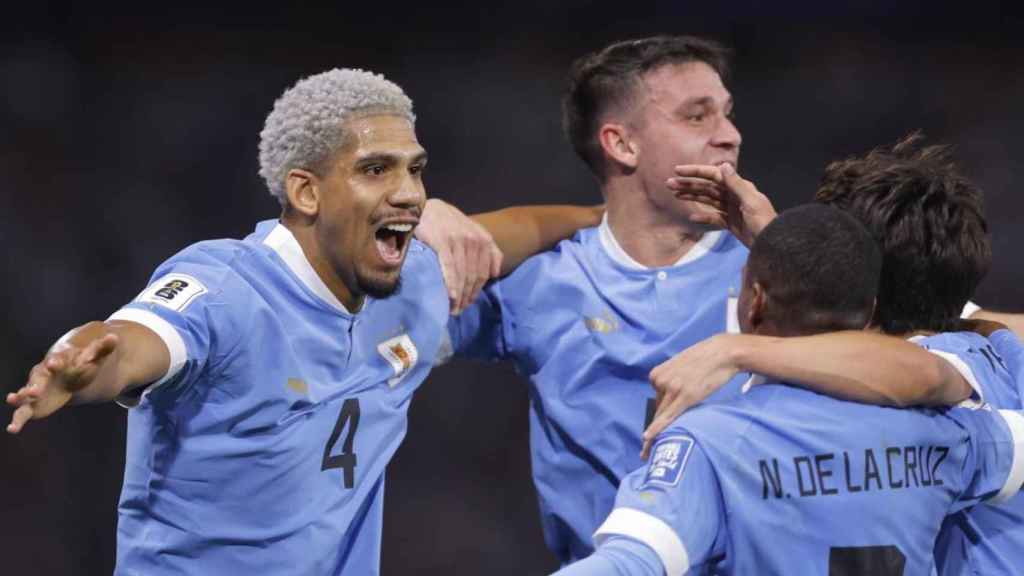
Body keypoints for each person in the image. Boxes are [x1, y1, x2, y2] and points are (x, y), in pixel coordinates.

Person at [5, 68, 599, 574]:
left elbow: (514, 230)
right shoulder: (226, 288)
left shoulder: (408, 281)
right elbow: (136, 342)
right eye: (375, 170)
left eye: (414, 171)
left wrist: (606, 214)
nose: (410, 194)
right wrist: (81, 362)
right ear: (306, 192)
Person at [444, 35, 971, 564]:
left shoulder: (784, 271)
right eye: (698, 117)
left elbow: (937, 357)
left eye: (727, 114)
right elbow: (385, 319)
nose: (730, 136)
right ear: (621, 144)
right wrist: (429, 219)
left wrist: (769, 260)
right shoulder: (541, 284)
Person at [553, 204, 1024, 576]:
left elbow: (633, 562)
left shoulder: (711, 444)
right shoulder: (949, 429)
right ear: (870, 311)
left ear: (754, 301)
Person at [651, 135, 1024, 574]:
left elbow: (923, 371)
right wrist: (781, 247)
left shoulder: (913, 387)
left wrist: (738, 349)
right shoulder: (998, 345)